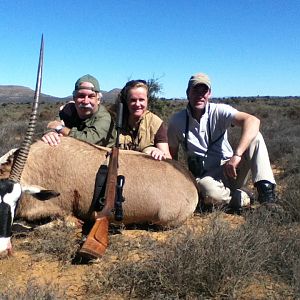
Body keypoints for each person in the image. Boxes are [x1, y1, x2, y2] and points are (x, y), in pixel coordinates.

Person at [167, 73, 276, 210]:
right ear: (188, 93)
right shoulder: (176, 121)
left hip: (231, 169)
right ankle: (241, 197)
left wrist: (237, 155)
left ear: (209, 94)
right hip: (206, 177)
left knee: (256, 137)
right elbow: (172, 156)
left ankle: (267, 195)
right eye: (195, 90)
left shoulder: (219, 111)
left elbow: (253, 121)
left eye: (204, 91)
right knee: (208, 191)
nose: (200, 95)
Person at [42, 74, 115, 147]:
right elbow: (53, 123)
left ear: (98, 99)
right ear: (74, 98)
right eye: (81, 96)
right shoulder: (68, 109)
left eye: (91, 96)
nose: (86, 101)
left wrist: (60, 128)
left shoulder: (104, 117)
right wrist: (51, 133)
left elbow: (89, 140)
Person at [116, 79, 171, 160]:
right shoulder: (115, 121)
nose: (137, 104)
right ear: (126, 101)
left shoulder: (156, 123)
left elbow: (167, 157)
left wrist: (159, 153)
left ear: (147, 100)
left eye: (141, 100)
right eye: (133, 100)